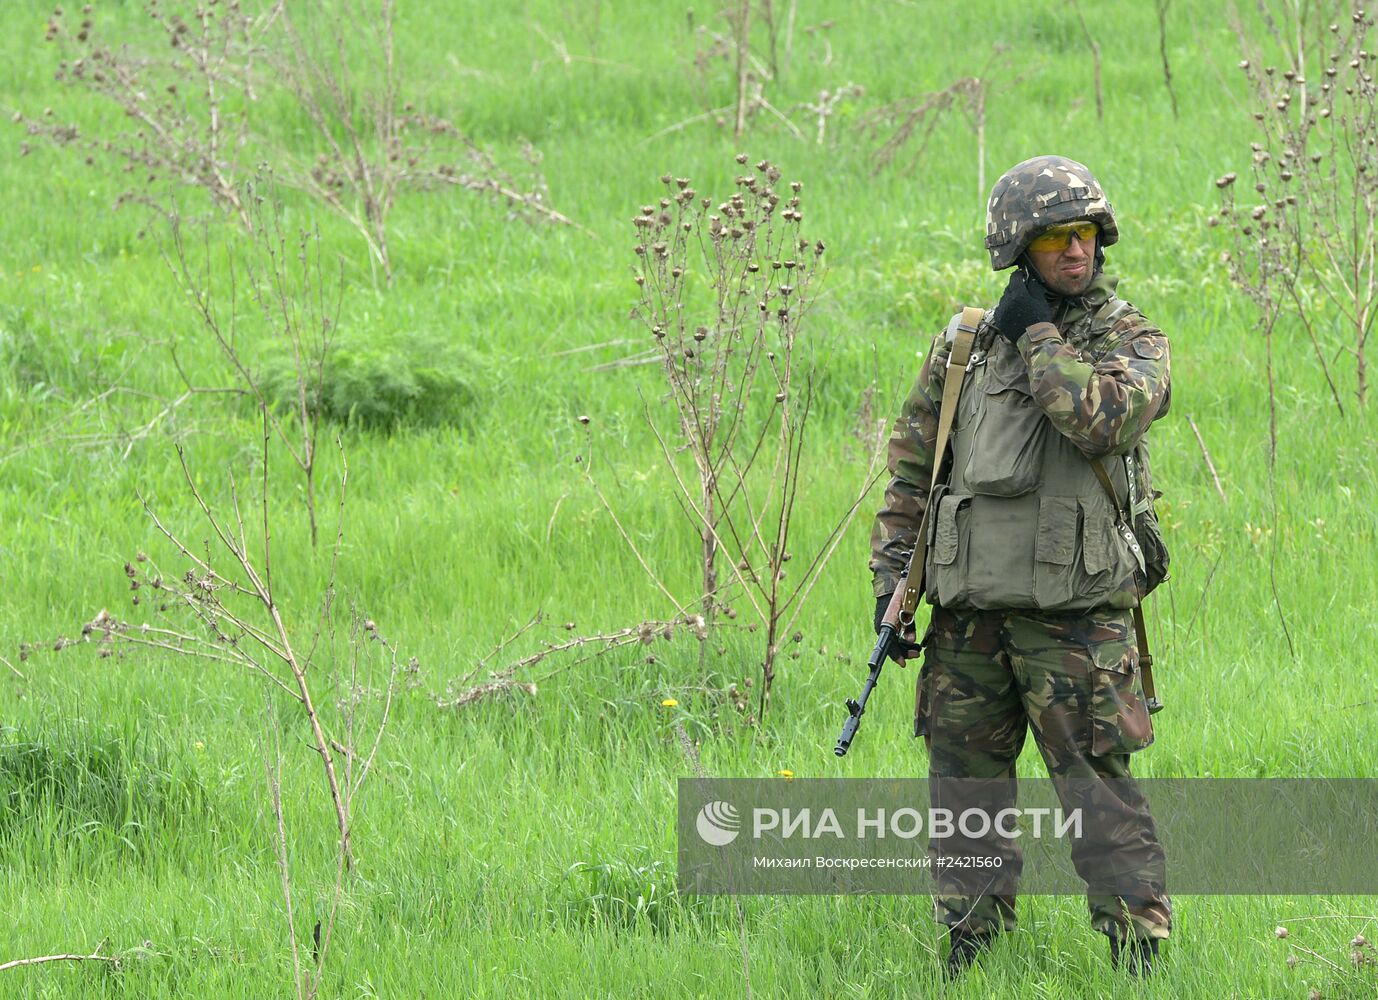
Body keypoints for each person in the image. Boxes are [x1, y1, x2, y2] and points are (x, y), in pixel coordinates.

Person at [868, 155, 1172, 977]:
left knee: (1099, 801)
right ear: (1016, 251)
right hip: (969, 620)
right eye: (1052, 240)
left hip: (1077, 620)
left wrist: (1037, 332)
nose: (1074, 253)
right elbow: (912, 466)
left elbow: (1101, 421)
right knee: (964, 800)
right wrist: (892, 584)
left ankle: (1138, 961)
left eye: (1083, 236)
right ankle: (970, 957)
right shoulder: (965, 345)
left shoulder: (1130, 338)